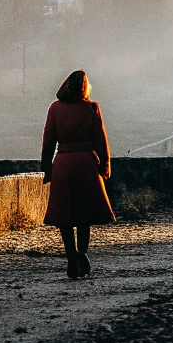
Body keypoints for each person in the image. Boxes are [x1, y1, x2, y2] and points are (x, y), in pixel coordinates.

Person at [41, 70, 116, 279]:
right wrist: (105, 165)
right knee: (84, 216)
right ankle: (82, 252)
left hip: (63, 164)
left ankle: (71, 259)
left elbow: (48, 141)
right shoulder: (91, 108)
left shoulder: (55, 109)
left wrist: (47, 168)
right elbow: (100, 139)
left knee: (65, 216)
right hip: (86, 164)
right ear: (84, 87)